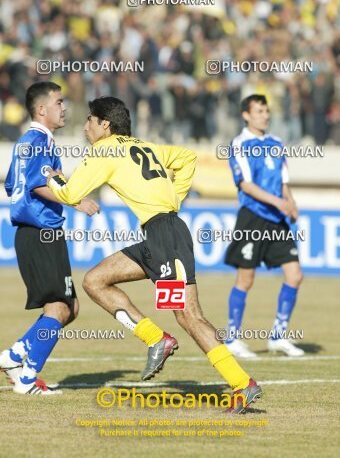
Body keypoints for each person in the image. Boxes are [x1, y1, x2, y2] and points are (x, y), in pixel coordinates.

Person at [46, 96, 262, 414]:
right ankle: (156, 339)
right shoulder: (143, 146)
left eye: (90, 119)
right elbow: (186, 158)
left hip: (165, 237)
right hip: (161, 235)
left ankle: (242, 384)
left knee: (188, 314)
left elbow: (69, 193)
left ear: (105, 124)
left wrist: (51, 175)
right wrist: (174, 198)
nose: (85, 126)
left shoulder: (104, 150)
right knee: (95, 280)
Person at [0, 82, 99, 395]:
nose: (63, 107)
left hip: (38, 233)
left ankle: (13, 356)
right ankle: (27, 379)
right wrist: (75, 201)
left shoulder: (28, 141)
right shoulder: (38, 140)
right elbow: (36, 184)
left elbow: (13, 184)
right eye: (58, 102)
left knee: (70, 306)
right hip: (41, 232)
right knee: (59, 308)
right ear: (41, 109)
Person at [224, 94, 304, 358]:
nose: (265, 115)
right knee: (245, 279)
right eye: (259, 111)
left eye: (267, 111)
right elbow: (246, 184)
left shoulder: (276, 143)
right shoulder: (239, 144)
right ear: (246, 115)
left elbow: (283, 182)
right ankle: (232, 338)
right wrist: (279, 203)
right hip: (253, 217)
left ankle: (278, 337)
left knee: (295, 275)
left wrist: (290, 203)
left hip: (277, 219)